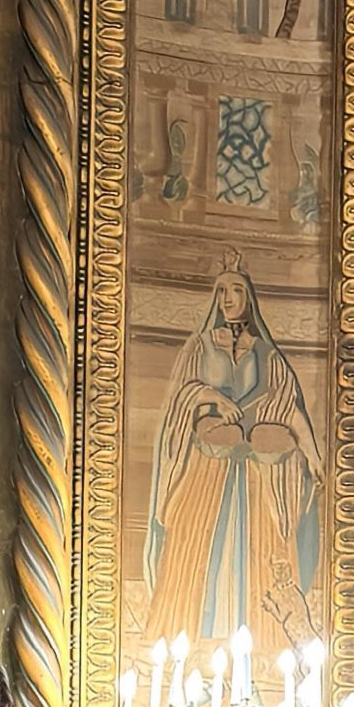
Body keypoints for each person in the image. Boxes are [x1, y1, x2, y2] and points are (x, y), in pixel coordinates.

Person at [142, 253, 321, 649]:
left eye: (236, 290)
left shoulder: (267, 354)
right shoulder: (201, 346)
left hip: (257, 472)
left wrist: (312, 453)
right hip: (208, 466)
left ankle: (265, 640)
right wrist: (211, 397)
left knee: (258, 548)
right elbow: (180, 397)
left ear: (249, 299)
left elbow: (288, 406)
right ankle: (187, 639)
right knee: (196, 544)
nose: (227, 298)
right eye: (222, 290)